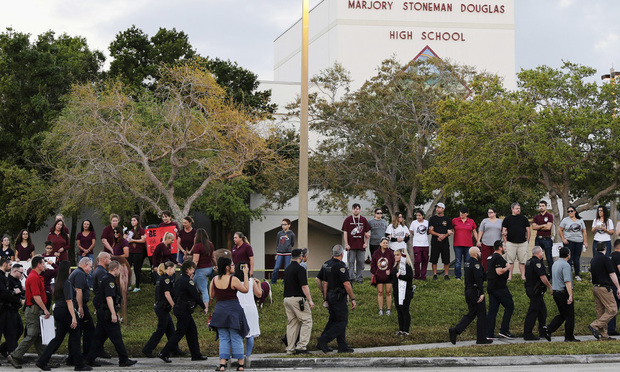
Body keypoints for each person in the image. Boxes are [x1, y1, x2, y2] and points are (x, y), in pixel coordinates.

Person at [36, 261, 91, 371]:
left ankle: (42, 361)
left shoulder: (58, 283)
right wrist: (74, 318)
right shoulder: (67, 283)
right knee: (75, 337)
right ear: (68, 270)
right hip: (66, 311)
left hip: (58, 310)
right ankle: (79, 364)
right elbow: (69, 301)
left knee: (58, 338)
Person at [86, 260, 137, 367]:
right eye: (118, 269)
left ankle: (90, 358)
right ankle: (123, 359)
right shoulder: (110, 281)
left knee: (99, 337)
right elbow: (109, 297)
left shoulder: (106, 279)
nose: (119, 272)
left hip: (103, 311)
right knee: (117, 336)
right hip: (107, 313)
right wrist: (113, 313)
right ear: (114, 269)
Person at [158, 260, 208, 363]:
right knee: (180, 332)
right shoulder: (187, 281)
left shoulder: (180, 280)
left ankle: (196, 354)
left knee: (192, 331)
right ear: (188, 269)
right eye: (193, 269)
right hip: (183, 310)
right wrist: (204, 307)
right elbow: (196, 295)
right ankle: (164, 352)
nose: (194, 271)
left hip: (180, 308)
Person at [7, 256, 51, 369]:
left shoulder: (36, 276)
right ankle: (14, 356)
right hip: (33, 309)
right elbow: (36, 296)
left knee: (37, 336)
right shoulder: (34, 277)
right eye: (43, 263)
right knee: (32, 335)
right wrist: (45, 309)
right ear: (38, 265)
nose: (44, 265)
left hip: (35, 309)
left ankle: (44, 360)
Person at [209, 257, 250, 371]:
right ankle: (240, 364)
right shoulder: (233, 279)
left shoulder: (214, 279)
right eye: (232, 265)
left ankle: (223, 364)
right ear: (227, 267)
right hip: (233, 309)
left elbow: (211, 294)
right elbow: (245, 289)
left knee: (223, 337)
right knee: (236, 336)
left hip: (219, 310)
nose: (233, 267)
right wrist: (245, 274)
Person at [316, 244, 356, 353]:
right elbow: (347, 284)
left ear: (332, 253)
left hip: (329, 295)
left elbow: (318, 280)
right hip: (339, 297)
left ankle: (342, 345)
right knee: (342, 321)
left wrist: (324, 296)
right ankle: (323, 340)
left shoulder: (326, 264)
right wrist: (352, 298)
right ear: (342, 254)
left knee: (333, 320)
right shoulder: (341, 266)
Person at [449, 247, 492, 345]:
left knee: (472, 313)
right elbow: (478, 279)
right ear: (476, 254)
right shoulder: (476, 264)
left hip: (468, 291)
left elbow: (481, 276)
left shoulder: (468, 263)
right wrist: (481, 293)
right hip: (475, 291)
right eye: (479, 252)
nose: (481, 253)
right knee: (482, 315)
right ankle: (481, 338)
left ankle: (455, 330)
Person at [143, 262, 184, 358]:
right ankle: (147, 349)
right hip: (162, 308)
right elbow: (167, 294)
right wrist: (174, 305)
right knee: (161, 330)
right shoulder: (166, 279)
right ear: (169, 268)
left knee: (170, 330)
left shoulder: (161, 278)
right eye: (173, 269)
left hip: (162, 307)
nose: (174, 271)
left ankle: (175, 349)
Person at [543, 247, 579, 342]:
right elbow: (567, 281)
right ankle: (569, 337)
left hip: (556, 292)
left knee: (563, 314)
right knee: (569, 316)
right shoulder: (566, 265)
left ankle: (549, 329)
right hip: (563, 293)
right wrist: (570, 295)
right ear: (568, 255)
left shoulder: (555, 264)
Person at [283, 249, 314, 355]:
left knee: (292, 323)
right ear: (300, 257)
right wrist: (310, 300)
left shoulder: (287, 269)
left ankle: (290, 349)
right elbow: (304, 286)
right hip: (297, 299)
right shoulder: (300, 269)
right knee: (307, 321)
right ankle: (301, 346)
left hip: (287, 299)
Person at [587, 242, 620, 341]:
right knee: (613, 309)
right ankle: (594, 325)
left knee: (600, 311)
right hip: (604, 288)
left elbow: (591, 275)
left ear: (596, 249)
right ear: (605, 249)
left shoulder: (593, 260)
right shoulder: (606, 259)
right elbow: (612, 274)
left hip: (595, 287)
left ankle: (604, 335)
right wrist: (618, 287)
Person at [68, 257, 95, 365]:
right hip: (78, 305)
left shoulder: (78, 273)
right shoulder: (79, 274)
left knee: (77, 332)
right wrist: (80, 307)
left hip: (77, 305)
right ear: (85, 264)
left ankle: (73, 357)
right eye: (90, 266)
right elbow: (78, 291)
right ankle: (86, 355)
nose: (91, 269)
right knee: (89, 330)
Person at [486, 240, 515, 340]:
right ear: (499, 247)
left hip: (491, 286)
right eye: (504, 246)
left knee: (492, 311)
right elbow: (499, 272)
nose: (505, 248)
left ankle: (489, 333)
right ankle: (504, 330)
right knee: (510, 306)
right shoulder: (498, 258)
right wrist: (507, 267)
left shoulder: (490, 257)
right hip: (499, 287)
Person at [523, 246, 552, 340]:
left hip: (531, 289)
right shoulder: (536, 262)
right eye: (542, 252)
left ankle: (543, 332)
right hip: (535, 290)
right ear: (538, 253)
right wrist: (550, 287)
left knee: (542, 311)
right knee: (533, 312)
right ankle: (527, 333)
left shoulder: (529, 262)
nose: (543, 253)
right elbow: (542, 276)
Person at [235, 262, 261, 366]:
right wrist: (259, 283)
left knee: (239, 334)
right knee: (250, 334)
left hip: (239, 308)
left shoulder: (234, 281)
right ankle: (248, 356)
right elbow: (259, 294)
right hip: (251, 308)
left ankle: (239, 356)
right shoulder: (251, 281)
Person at [0, 262, 25, 358]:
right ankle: (14, 355)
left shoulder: (17, 281)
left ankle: (4, 349)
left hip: (13, 309)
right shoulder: (7, 280)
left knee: (18, 330)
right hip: (7, 308)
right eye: (21, 273)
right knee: (11, 332)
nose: (22, 275)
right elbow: (5, 294)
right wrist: (15, 295)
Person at [341, 203, 370, 283]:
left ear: (359, 210)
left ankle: (359, 278)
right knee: (350, 262)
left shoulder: (363, 220)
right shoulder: (348, 219)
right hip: (351, 246)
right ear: (352, 210)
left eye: (357, 209)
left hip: (361, 245)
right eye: (354, 209)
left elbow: (367, 233)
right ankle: (351, 278)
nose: (355, 210)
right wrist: (346, 244)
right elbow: (345, 232)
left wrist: (366, 243)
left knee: (361, 262)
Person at [502, 202, 531, 280]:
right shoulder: (507, 219)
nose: (519, 210)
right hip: (510, 243)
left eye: (519, 208)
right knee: (510, 261)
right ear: (512, 209)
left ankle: (523, 277)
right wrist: (506, 242)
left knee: (522, 261)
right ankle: (509, 277)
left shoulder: (524, 218)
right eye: (517, 208)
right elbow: (503, 231)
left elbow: (528, 230)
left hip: (522, 243)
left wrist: (527, 241)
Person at [558, 206, 588, 281]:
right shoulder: (565, 220)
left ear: (575, 211)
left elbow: (584, 231)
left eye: (571, 211)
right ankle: (568, 275)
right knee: (569, 258)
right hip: (569, 241)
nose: (570, 213)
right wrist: (563, 239)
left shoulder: (580, 220)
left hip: (579, 241)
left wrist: (585, 241)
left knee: (577, 258)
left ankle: (577, 275)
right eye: (568, 211)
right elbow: (560, 229)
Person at [390, 248, 414, 336]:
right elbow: (392, 278)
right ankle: (401, 329)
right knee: (399, 310)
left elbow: (409, 278)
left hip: (405, 292)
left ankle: (406, 330)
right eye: (395, 255)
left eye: (397, 255)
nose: (395, 257)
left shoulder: (407, 266)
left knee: (405, 310)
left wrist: (399, 277)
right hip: (396, 291)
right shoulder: (395, 267)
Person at [192, 228, 216, 309]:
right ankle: (194, 302)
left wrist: (191, 271)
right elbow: (213, 257)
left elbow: (195, 260)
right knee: (192, 284)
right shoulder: (210, 244)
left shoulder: (197, 246)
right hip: (209, 269)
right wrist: (216, 266)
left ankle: (205, 308)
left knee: (204, 290)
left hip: (201, 270)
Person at [452, 207, 478, 280]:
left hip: (468, 244)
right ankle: (458, 276)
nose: (461, 214)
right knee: (458, 261)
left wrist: (478, 240)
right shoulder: (454, 220)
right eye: (461, 212)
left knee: (467, 261)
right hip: (457, 244)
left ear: (467, 214)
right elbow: (450, 228)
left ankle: (468, 276)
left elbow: (474, 231)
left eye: (463, 212)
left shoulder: (471, 221)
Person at [429, 203, 453, 280]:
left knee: (446, 259)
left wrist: (443, 237)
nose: (437, 209)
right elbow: (430, 230)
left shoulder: (448, 219)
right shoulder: (432, 219)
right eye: (436, 207)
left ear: (443, 209)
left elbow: (450, 231)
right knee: (434, 259)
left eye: (439, 207)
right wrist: (438, 235)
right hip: (435, 242)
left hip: (445, 242)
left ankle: (446, 275)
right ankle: (435, 275)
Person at [370, 237, 394, 315]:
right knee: (380, 292)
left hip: (388, 277)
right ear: (380, 244)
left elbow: (394, 264)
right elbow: (373, 264)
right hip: (379, 276)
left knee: (388, 292)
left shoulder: (390, 253)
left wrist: (391, 271)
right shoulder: (376, 253)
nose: (385, 244)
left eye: (386, 243)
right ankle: (380, 309)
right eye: (384, 242)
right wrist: (375, 272)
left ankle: (388, 309)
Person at [272, 218, 296, 284]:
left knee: (287, 268)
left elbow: (292, 243)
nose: (283, 226)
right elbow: (277, 243)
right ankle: (273, 282)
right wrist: (277, 253)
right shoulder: (279, 233)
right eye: (282, 224)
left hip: (288, 254)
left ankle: (285, 282)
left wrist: (288, 247)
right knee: (276, 268)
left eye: (285, 224)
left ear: (289, 225)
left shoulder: (292, 234)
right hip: (279, 253)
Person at [127, 215, 146, 292]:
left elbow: (143, 240)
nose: (132, 222)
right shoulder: (131, 230)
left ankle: (137, 286)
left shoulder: (141, 230)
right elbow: (128, 240)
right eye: (132, 220)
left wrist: (133, 240)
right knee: (128, 268)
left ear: (137, 221)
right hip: (130, 251)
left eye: (134, 220)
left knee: (136, 269)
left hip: (138, 252)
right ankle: (129, 285)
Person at [532, 201, 554, 268]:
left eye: (542, 206)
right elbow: (533, 227)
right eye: (540, 206)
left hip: (547, 239)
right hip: (538, 239)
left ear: (546, 207)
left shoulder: (549, 216)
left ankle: (552, 276)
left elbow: (548, 227)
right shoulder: (536, 217)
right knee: (538, 258)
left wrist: (538, 226)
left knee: (549, 258)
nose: (541, 207)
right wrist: (543, 225)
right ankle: (540, 275)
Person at [409, 210, 430, 280]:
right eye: (417, 215)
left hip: (425, 244)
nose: (418, 217)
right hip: (416, 244)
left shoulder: (426, 222)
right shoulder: (414, 223)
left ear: (423, 216)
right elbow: (410, 231)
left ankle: (423, 275)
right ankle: (417, 275)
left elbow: (428, 231)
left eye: (419, 215)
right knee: (417, 260)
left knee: (425, 260)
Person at [608, 239, 620, 336]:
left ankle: (611, 328)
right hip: (618, 284)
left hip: (610, 284)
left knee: (613, 307)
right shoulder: (618, 256)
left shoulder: (610, 256)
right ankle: (612, 328)